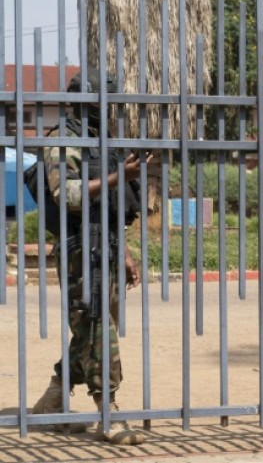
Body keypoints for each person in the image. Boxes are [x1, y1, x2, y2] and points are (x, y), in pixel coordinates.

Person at [30, 69, 148, 445]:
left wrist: (126, 253)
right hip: (79, 249)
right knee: (97, 329)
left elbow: (112, 208)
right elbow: (66, 195)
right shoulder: (61, 140)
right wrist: (118, 174)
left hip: (108, 246)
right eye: (104, 101)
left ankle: (52, 401)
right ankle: (108, 414)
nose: (109, 109)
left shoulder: (102, 141)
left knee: (87, 331)